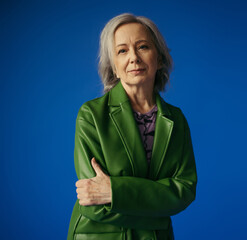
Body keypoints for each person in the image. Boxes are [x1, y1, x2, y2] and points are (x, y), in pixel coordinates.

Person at [67, 13, 197, 240]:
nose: (134, 58)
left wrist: (114, 191)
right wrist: (159, 210)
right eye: (122, 50)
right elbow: (92, 204)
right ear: (114, 67)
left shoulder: (176, 120)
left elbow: (184, 190)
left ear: (159, 59)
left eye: (143, 47)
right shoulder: (91, 116)